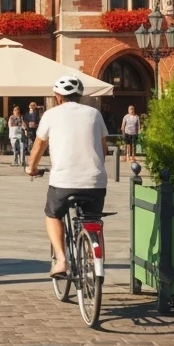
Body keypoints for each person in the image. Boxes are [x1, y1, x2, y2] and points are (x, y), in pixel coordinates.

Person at [25, 75, 109, 278]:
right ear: (80, 96)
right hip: (95, 180)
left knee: (53, 214)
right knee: (93, 220)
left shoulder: (50, 115)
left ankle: (62, 260)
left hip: (63, 181)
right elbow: (104, 148)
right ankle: (96, 262)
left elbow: (38, 146)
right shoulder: (95, 114)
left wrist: (31, 168)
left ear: (58, 97)